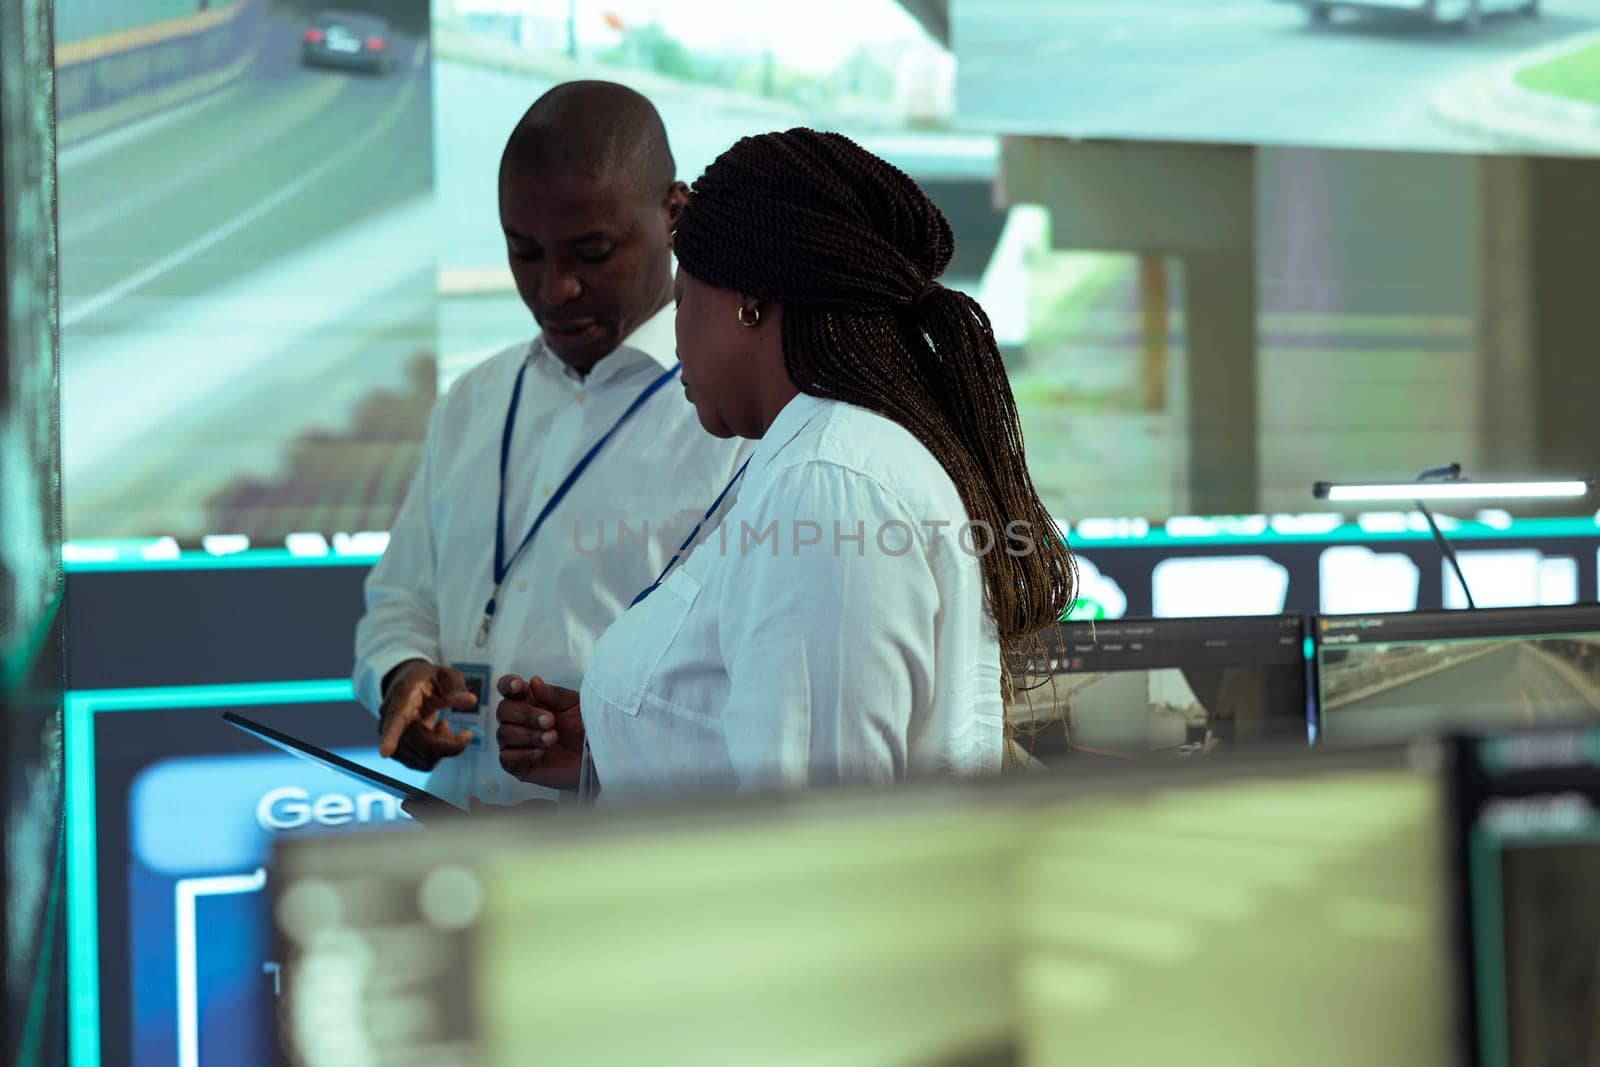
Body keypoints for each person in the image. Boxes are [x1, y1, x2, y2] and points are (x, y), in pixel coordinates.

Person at [495, 129, 1076, 804]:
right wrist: (619, 741)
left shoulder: (829, 484)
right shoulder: (825, 457)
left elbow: (815, 835)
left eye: (682, 302)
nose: (677, 338)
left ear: (751, 302)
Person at [353, 81, 746, 808]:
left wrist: (611, 750)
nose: (554, 287)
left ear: (674, 214)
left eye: (591, 252)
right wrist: (401, 669)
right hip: (461, 840)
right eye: (523, 253)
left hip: (631, 865)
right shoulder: (474, 400)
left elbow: (768, 695)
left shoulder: (736, 420)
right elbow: (401, 594)